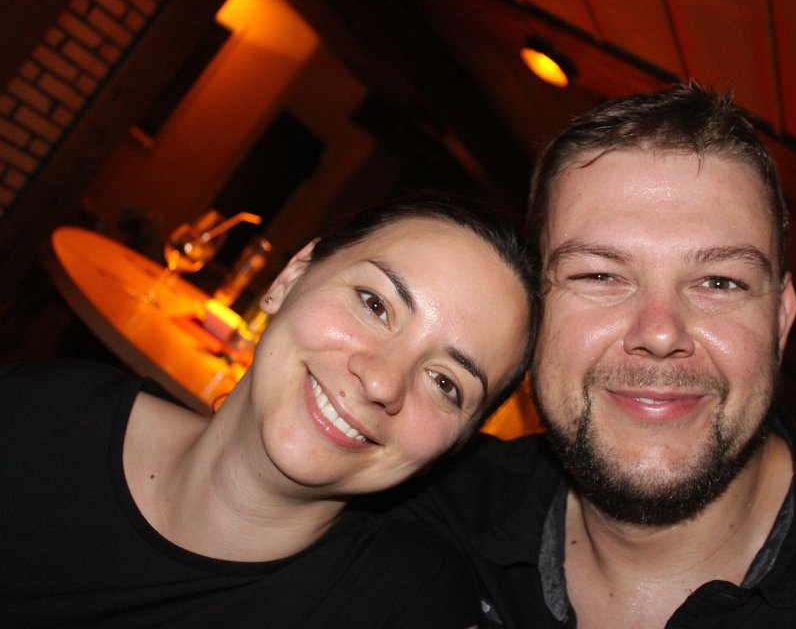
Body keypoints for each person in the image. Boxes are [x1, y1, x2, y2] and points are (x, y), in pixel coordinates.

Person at [390, 84, 796, 628]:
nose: (661, 334)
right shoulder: (411, 510)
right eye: (599, 275)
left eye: (719, 282)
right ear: (535, 309)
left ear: (780, 319)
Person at [0, 194, 541, 628]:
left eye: (446, 384)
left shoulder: (407, 607)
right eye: (375, 304)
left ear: (457, 444)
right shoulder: (34, 414)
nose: (381, 381)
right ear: (290, 278)